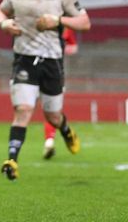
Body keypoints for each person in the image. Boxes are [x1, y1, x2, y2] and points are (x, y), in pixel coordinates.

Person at [0, 0, 91, 181]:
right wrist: (4, 23)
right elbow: (1, 11)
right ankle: (12, 160)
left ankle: (66, 130)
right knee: (23, 110)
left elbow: (85, 23)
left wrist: (59, 21)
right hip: (24, 59)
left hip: (52, 61)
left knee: (52, 115)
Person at [42, 27, 78, 159]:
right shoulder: (40, 21)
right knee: (51, 110)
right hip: (46, 71)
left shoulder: (65, 25)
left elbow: (73, 47)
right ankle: (50, 140)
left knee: (51, 110)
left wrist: (61, 47)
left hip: (52, 71)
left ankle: (49, 141)